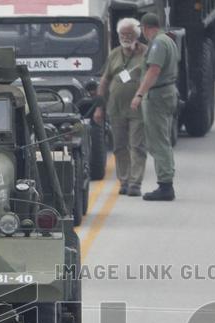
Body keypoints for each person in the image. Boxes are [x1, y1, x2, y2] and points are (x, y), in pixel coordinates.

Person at [93, 18, 148, 196]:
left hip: (137, 109)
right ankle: (124, 180)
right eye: (123, 34)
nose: (126, 37)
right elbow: (104, 80)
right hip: (115, 109)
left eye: (129, 34)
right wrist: (99, 107)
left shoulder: (145, 53)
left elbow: (152, 76)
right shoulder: (114, 54)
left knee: (137, 146)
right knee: (119, 146)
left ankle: (135, 183)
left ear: (137, 35)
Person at [130, 12, 179, 201]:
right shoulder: (166, 40)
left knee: (158, 140)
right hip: (166, 93)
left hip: (157, 95)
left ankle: (165, 185)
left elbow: (154, 70)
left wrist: (139, 94)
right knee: (162, 138)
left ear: (145, 28)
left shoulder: (158, 43)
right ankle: (166, 181)